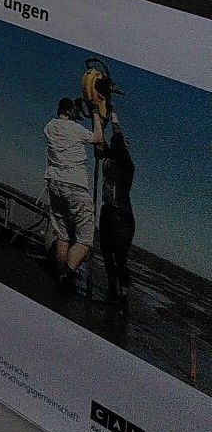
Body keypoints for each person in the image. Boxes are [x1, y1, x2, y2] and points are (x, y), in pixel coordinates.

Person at [43, 97, 104, 293]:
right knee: (85, 237)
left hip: (54, 183)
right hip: (75, 185)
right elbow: (98, 138)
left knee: (62, 233)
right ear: (69, 112)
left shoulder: (50, 127)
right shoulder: (76, 129)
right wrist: (95, 112)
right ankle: (66, 276)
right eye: (75, 111)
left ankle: (59, 272)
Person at [97, 121, 136, 305]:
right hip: (109, 211)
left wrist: (114, 121)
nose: (125, 144)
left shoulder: (127, 164)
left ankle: (124, 295)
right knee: (106, 253)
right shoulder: (109, 158)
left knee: (120, 258)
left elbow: (117, 140)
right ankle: (113, 289)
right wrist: (99, 115)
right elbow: (100, 141)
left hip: (122, 216)